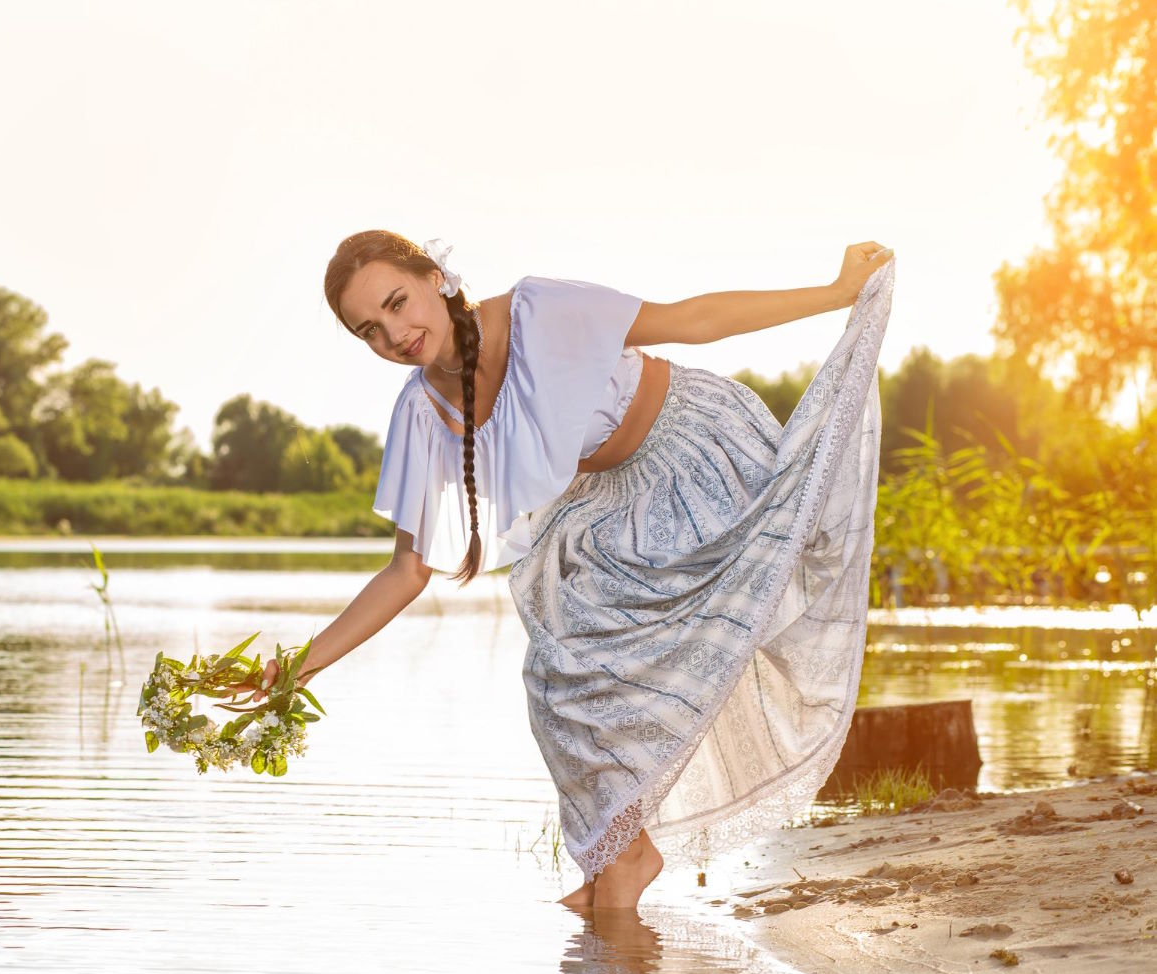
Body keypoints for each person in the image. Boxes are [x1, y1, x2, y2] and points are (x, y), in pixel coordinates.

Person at [221, 230, 897, 911]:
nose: (396, 333)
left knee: (734, 622)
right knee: (557, 677)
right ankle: (622, 854)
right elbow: (406, 571)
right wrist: (302, 665)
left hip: (693, 453)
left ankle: (622, 864)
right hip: (608, 512)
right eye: (371, 329)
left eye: (398, 302)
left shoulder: (536, 311)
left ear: (435, 277)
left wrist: (836, 293)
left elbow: (690, 320)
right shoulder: (422, 412)